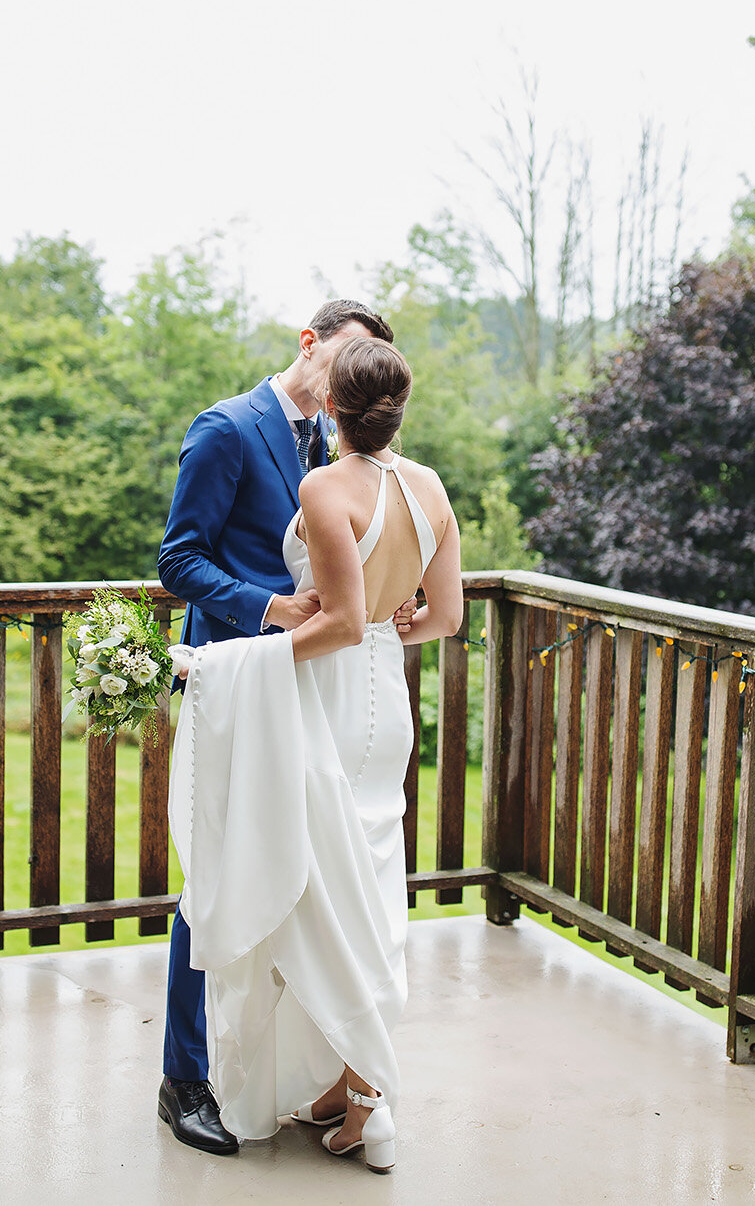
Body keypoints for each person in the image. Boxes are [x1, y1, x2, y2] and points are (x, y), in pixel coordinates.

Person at [165, 335, 463, 1173]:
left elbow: (330, 620)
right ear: (399, 408)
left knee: (321, 894)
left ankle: (370, 1101)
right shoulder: (430, 485)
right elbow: (445, 617)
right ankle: (350, 1087)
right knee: (369, 888)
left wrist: (228, 662)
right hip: (388, 699)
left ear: (333, 406)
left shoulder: (326, 484)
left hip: (329, 697)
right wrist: (392, 621)